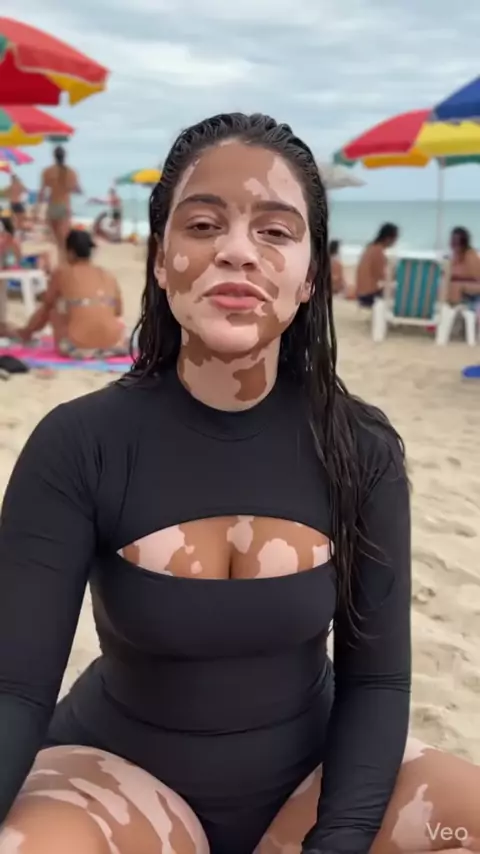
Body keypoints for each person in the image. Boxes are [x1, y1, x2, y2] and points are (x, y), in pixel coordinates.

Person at [0, 112, 478, 854]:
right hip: (119, 784)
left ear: (310, 275)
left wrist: (341, 837)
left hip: (312, 783)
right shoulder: (80, 444)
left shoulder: (362, 448)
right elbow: (15, 689)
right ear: (161, 261)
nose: (237, 251)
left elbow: (378, 682)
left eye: (275, 231)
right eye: (202, 225)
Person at [17, 228, 128, 358]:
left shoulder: (62, 273)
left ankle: (27, 335)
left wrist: (27, 330)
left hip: (78, 347)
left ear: (70, 253)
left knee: (53, 309)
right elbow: (118, 311)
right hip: (113, 344)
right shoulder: (107, 275)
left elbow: (46, 308)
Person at [37, 145, 82, 257]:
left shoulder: (47, 171)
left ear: (54, 156)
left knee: (57, 238)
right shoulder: (71, 172)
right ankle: (64, 258)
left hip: (52, 206)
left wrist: (37, 209)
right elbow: (77, 189)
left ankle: (61, 258)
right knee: (64, 237)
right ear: (65, 156)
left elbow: (42, 192)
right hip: (65, 206)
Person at [355, 222, 399, 306]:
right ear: (388, 238)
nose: (395, 242)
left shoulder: (370, 247)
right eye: (395, 239)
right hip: (368, 296)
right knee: (398, 292)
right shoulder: (378, 251)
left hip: (361, 293)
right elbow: (383, 276)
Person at [448, 226, 480, 312]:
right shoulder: (454, 257)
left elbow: (477, 279)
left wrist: (460, 283)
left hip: (473, 295)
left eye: (457, 241)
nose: (453, 244)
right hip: (462, 295)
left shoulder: (470, 256)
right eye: (452, 240)